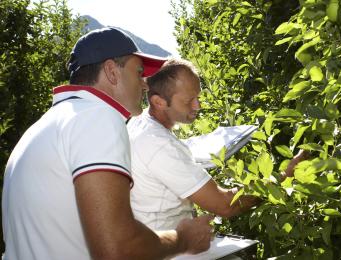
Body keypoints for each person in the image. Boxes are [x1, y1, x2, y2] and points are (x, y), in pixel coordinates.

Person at [2, 28, 213, 260]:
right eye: (139, 72)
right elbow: (117, 249)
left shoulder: (42, 126)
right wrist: (183, 239)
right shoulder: (97, 117)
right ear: (112, 71)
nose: (144, 85)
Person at [127, 58, 308, 231]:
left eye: (197, 96)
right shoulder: (160, 145)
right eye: (188, 100)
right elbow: (226, 205)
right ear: (159, 102)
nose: (197, 106)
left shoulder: (139, 122)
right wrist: (285, 176)